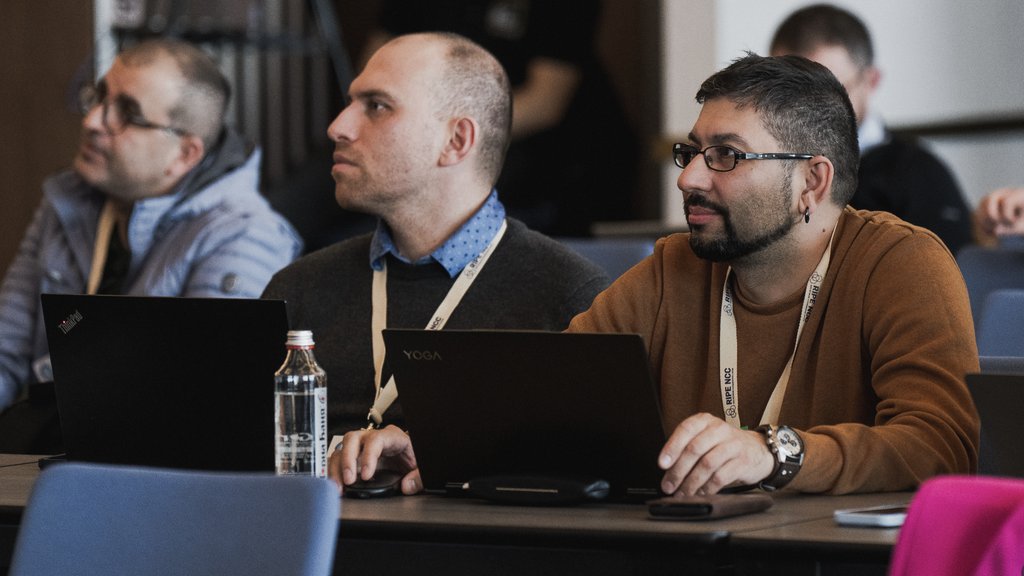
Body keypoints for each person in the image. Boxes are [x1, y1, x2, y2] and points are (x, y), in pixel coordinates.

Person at [334, 53, 979, 497]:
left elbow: (939, 444)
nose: (688, 178)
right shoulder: (674, 269)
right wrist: (430, 440)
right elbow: (546, 396)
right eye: (690, 152)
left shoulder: (900, 263)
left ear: (812, 179)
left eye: (725, 156)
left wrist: (775, 454)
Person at [261, 33, 608, 441]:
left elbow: (584, 480)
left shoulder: (570, 301)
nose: (338, 126)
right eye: (350, 102)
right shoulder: (297, 289)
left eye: (376, 106)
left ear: (456, 141)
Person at [0, 39, 302, 426]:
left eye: (127, 113)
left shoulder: (242, 236)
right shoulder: (64, 203)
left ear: (184, 154)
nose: (92, 121)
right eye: (100, 96)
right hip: (48, 441)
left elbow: (205, 404)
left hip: (151, 468)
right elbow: (6, 354)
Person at [361, 0, 639, 237]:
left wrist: (439, 135)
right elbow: (373, 73)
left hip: (549, 169)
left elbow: (545, 103)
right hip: (422, 155)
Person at [770, 3, 973, 255]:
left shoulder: (918, 174)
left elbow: (940, 284)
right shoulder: (755, 167)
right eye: (785, 94)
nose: (804, 110)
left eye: (827, 94)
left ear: (871, 80)